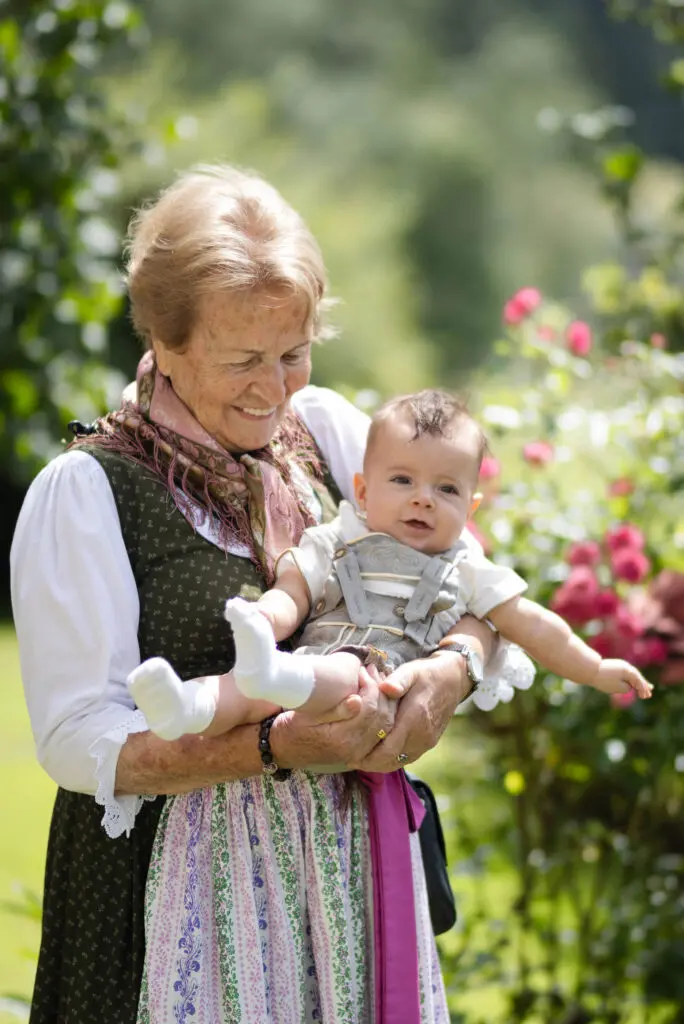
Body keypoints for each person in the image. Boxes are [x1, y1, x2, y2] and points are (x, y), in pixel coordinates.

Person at [10, 164, 527, 1024]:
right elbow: (75, 741)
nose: (274, 386)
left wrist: (450, 674)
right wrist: (274, 747)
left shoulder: (329, 434)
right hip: (161, 895)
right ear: (164, 343)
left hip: (345, 884)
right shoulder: (90, 491)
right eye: (242, 358)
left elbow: (474, 579)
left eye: (292, 352)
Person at [130, 389, 651, 748]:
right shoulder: (341, 535)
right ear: (362, 491)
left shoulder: (465, 566)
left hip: (376, 686)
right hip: (308, 664)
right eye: (403, 481)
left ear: (470, 510)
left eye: (446, 489)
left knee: (333, 675)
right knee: (241, 690)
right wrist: (265, 620)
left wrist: (595, 668)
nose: (423, 500)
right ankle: (186, 709)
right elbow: (295, 590)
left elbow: (533, 625)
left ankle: (272, 674)